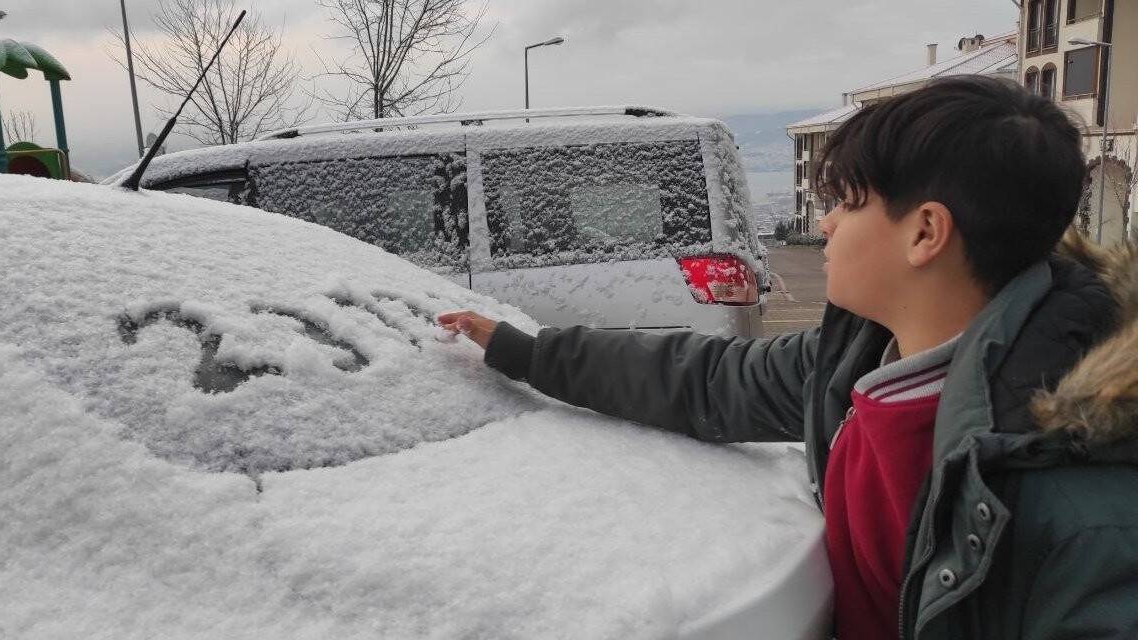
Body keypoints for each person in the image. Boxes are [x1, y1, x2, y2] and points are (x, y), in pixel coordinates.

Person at [438, 75, 1138, 640]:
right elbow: (704, 380)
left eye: (849, 201)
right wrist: (524, 352)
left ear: (925, 233)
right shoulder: (858, 358)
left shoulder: (1074, 492)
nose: (826, 222)